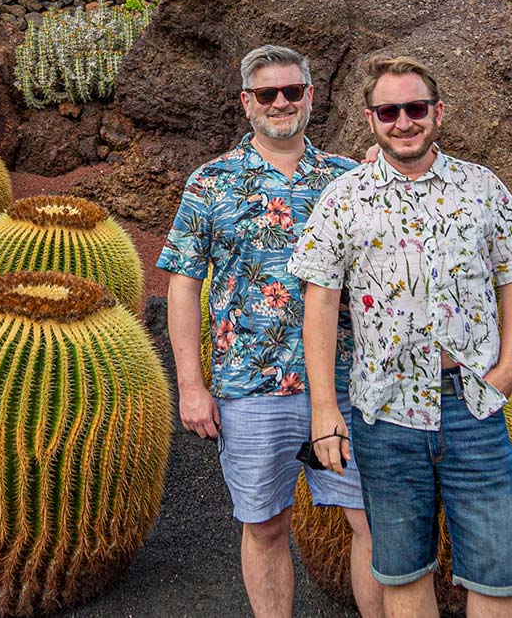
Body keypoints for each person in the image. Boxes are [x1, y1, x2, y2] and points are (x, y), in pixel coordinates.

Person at [292, 56, 512, 616]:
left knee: (496, 576)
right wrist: (324, 410)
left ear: (438, 112)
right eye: (389, 110)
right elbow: (320, 303)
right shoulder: (344, 199)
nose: (403, 121)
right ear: (371, 118)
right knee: (403, 574)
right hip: (384, 415)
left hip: (472, 409)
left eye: (415, 108)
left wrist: (508, 370)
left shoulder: (481, 187)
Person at [158, 46, 383, 618]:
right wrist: (190, 385)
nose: (280, 103)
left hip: (348, 382)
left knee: (371, 521)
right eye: (267, 94)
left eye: (291, 92)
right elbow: (183, 285)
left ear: (310, 97)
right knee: (265, 526)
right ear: (246, 103)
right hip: (253, 384)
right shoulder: (210, 183)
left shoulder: (349, 179)